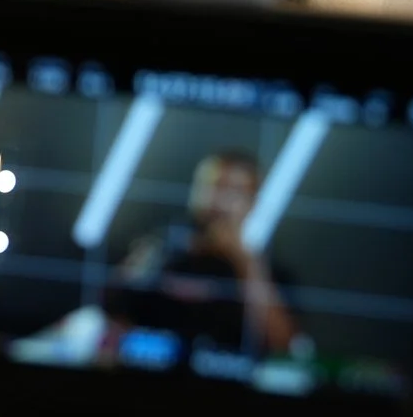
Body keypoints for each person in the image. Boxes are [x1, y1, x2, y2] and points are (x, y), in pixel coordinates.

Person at [103, 152, 300, 359]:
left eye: (235, 191)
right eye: (214, 186)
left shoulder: (266, 271)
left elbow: (283, 344)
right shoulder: (159, 247)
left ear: (253, 201)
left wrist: (245, 261)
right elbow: (111, 310)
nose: (220, 200)